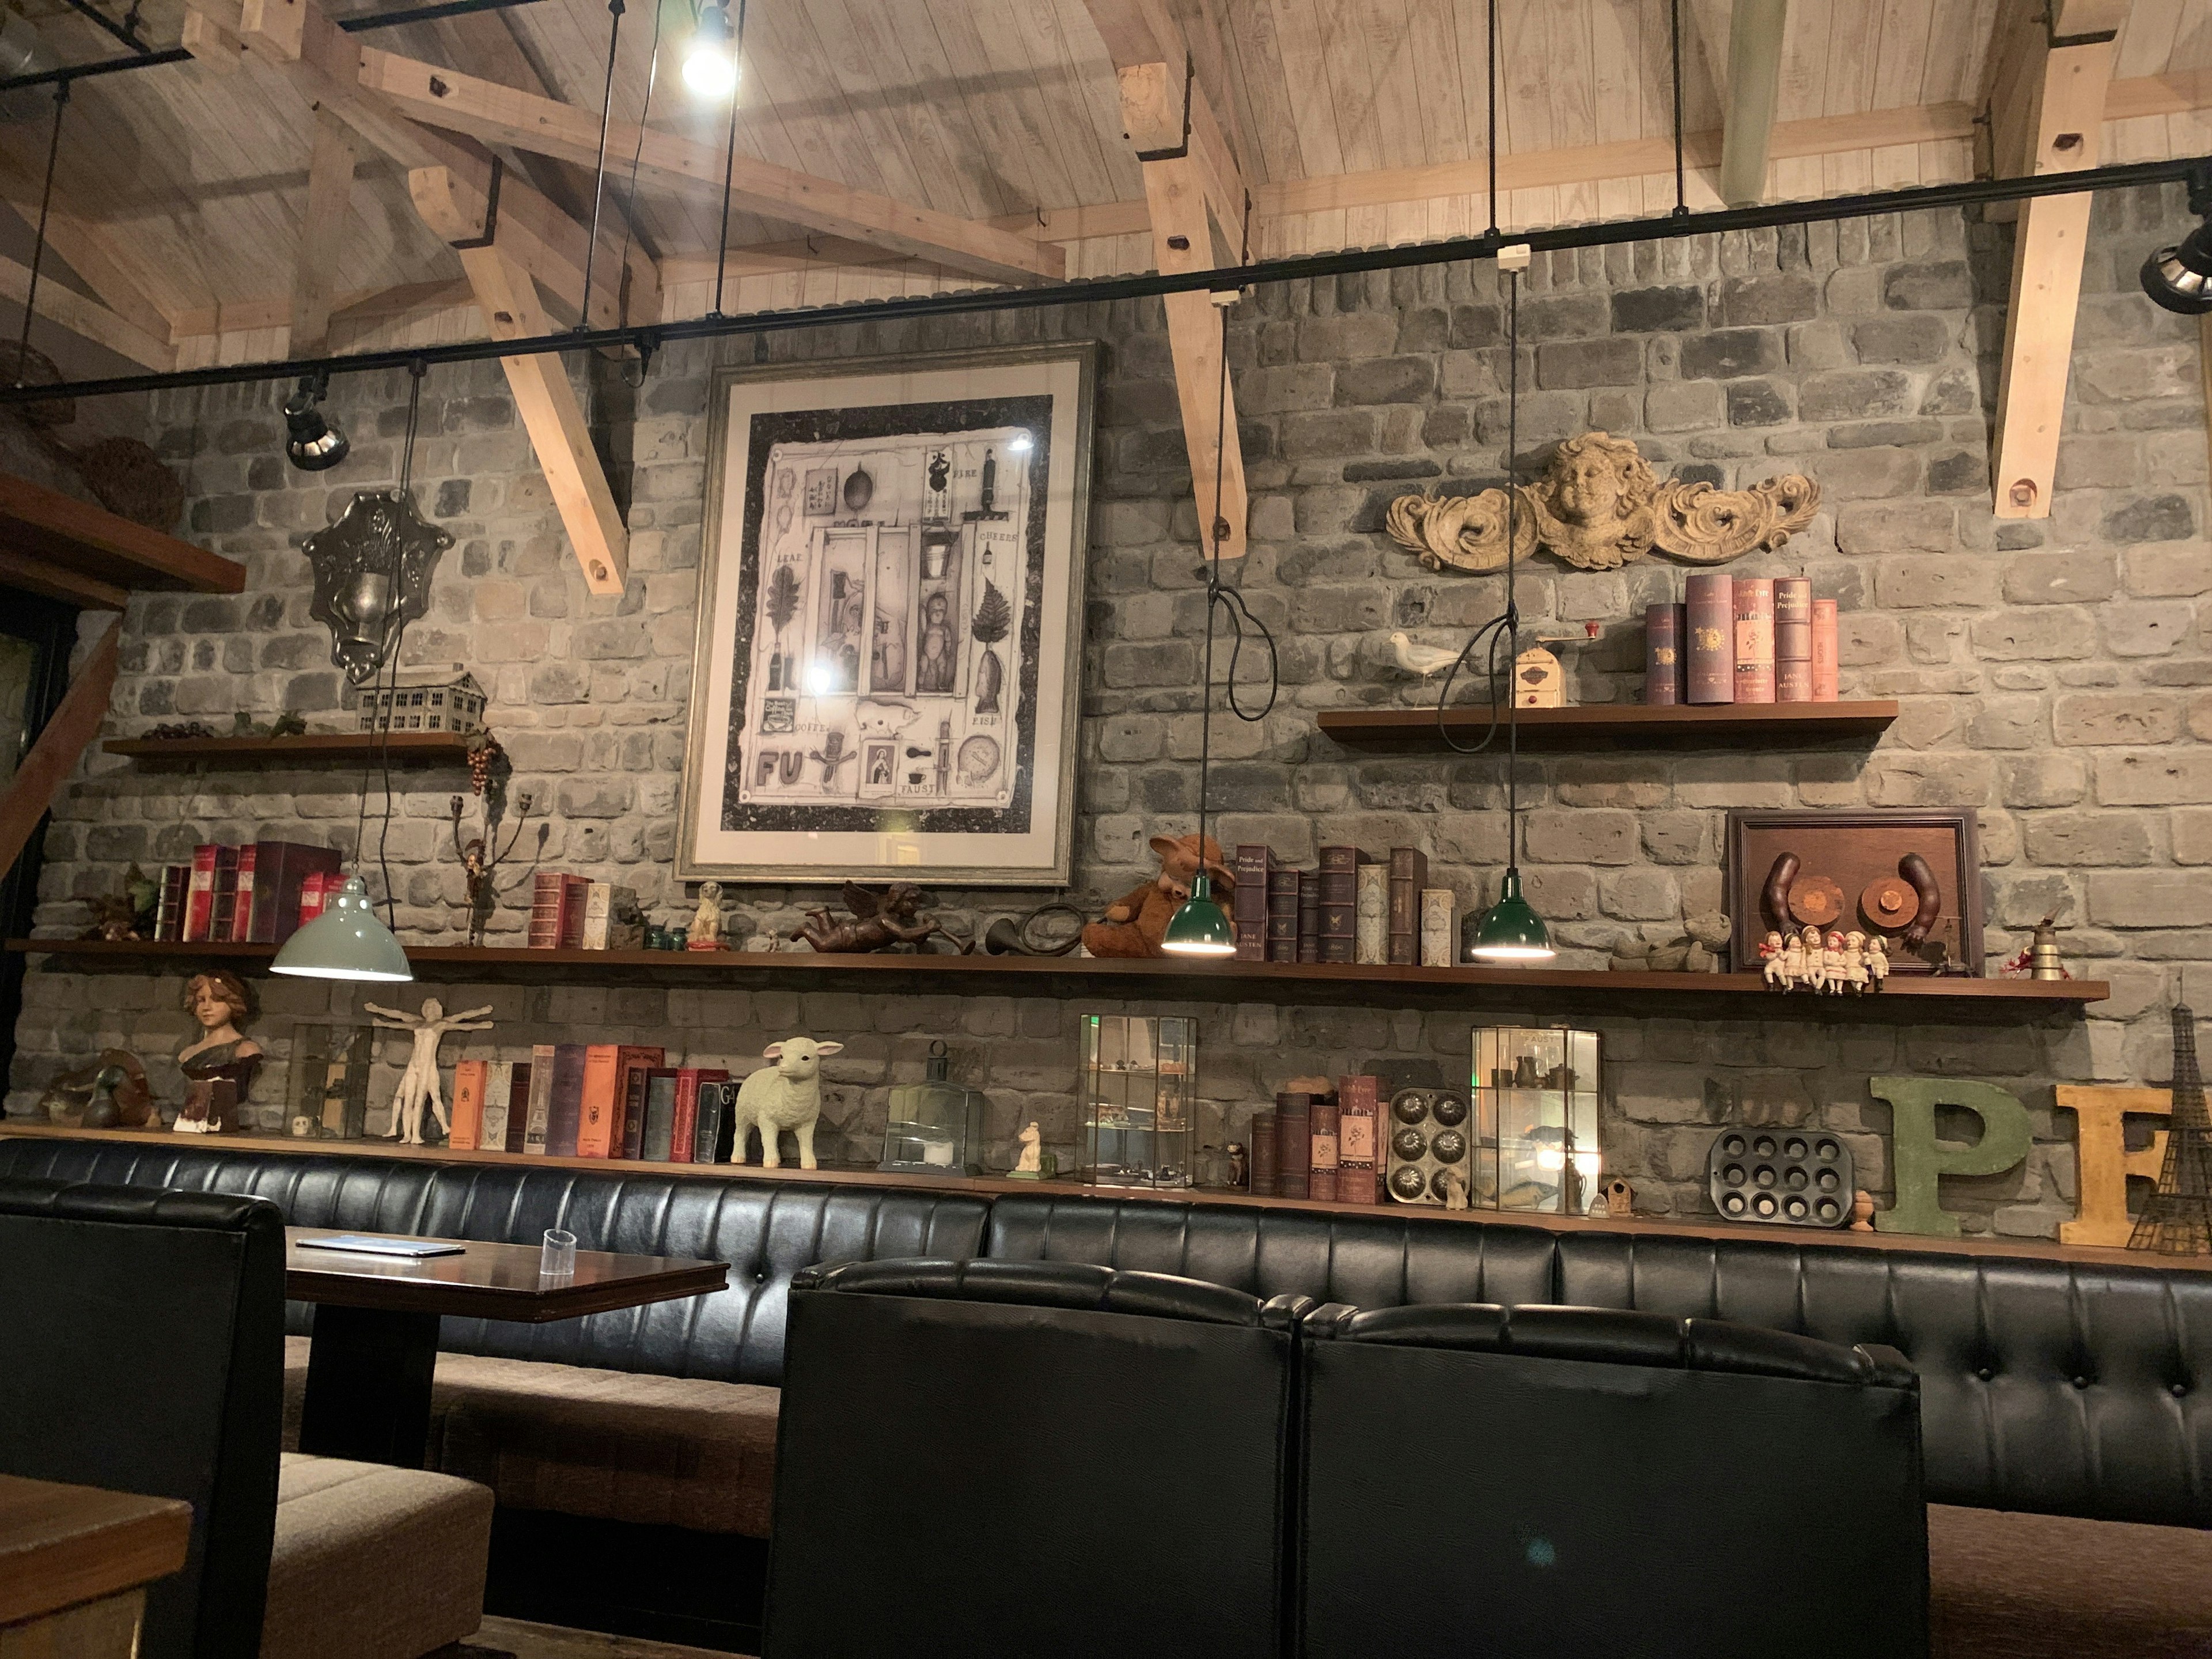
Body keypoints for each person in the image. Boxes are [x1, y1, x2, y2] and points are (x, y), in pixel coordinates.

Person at [915, 591, 955, 692]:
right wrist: (922, 610)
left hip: (940, 653)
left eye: (941, 610)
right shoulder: (928, 627)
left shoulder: (944, 629)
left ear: (945, 613)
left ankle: (941, 684)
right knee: (923, 668)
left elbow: (948, 640)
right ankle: (920, 685)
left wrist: (948, 650)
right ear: (929, 613)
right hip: (926, 653)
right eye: (934, 610)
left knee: (943, 667)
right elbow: (922, 623)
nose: (938, 614)